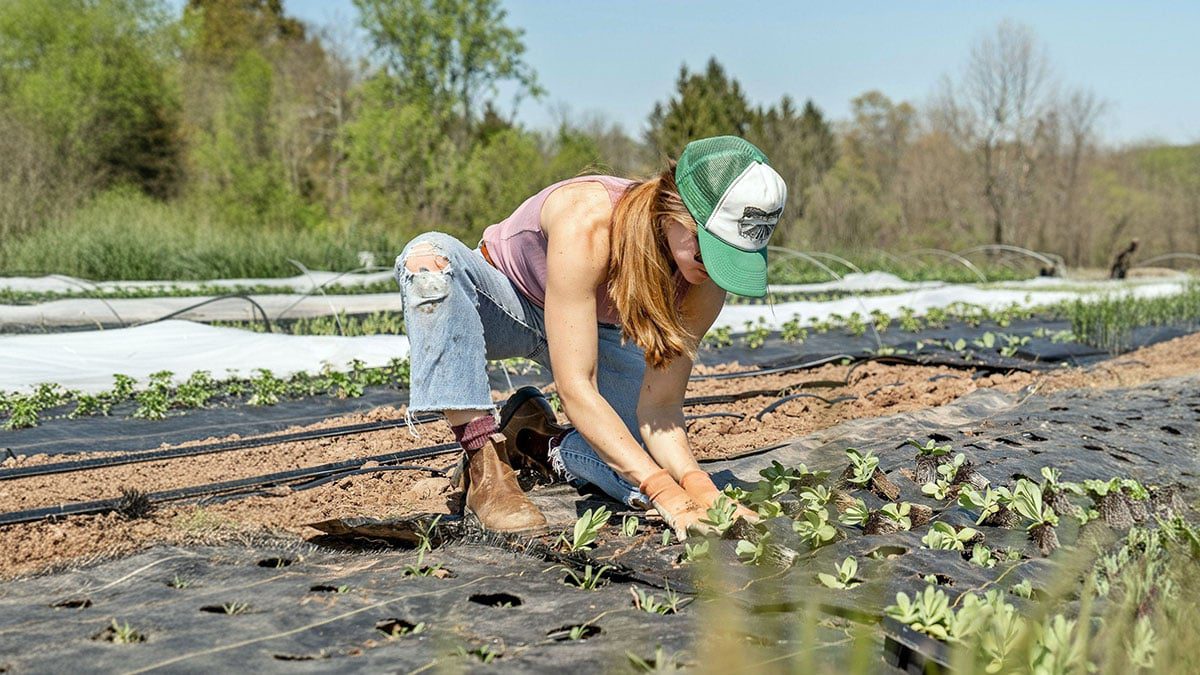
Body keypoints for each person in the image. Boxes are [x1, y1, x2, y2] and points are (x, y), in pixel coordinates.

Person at [395, 136, 787, 540]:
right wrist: (662, 490)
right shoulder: (590, 219)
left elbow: (661, 409)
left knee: (639, 454)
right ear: (675, 211)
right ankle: (484, 463)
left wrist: (698, 487)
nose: (713, 270)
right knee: (428, 261)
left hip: (593, 330)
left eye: (731, 258)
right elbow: (577, 387)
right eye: (709, 251)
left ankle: (538, 441)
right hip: (506, 304)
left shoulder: (704, 281)